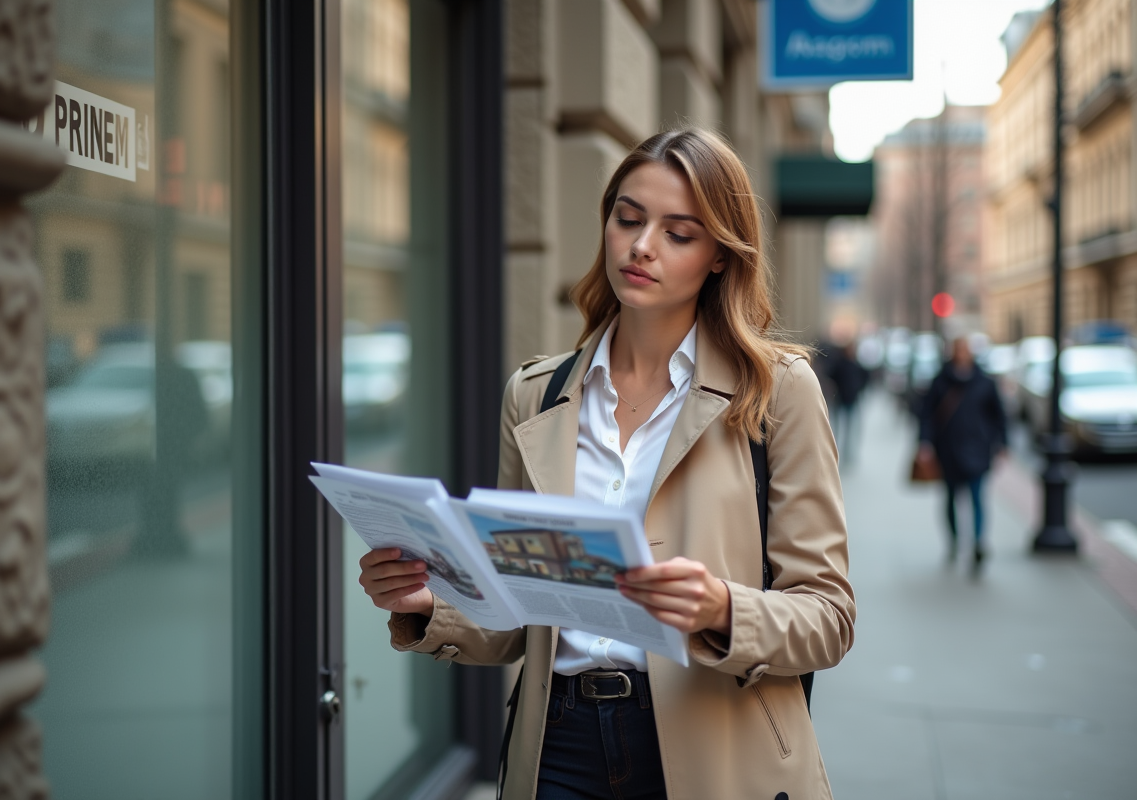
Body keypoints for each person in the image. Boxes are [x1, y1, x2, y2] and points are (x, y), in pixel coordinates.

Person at [358, 129, 855, 799]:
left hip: (715, 744)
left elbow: (828, 616)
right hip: (558, 743)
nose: (642, 245)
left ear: (718, 256)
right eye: (628, 217)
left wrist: (720, 609)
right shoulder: (534, 393)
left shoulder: (778, 390)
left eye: (679, 233)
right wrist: (431, 602)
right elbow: (513, 611)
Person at [918, 336, 1008, 569]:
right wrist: (924, 443)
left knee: (978, 498)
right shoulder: (940, 382)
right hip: (947, 449)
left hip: (978, 449)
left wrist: (1002, 444)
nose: (962, 354)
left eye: (965, 350)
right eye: (958, 350)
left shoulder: (985, 382)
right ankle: (955, 542)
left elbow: (999, 416)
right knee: (950, 499)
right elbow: (927, 414)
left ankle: (978, 543)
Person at [826, 340, 870, 461]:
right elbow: (831, 375)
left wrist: (859, 388)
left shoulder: (856, 364)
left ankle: (849, 451)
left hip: (852, 399)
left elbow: (865, 376)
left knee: (851, 426)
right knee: (839, 427)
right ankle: (838, 450)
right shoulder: (840, 364)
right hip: (840, 399)